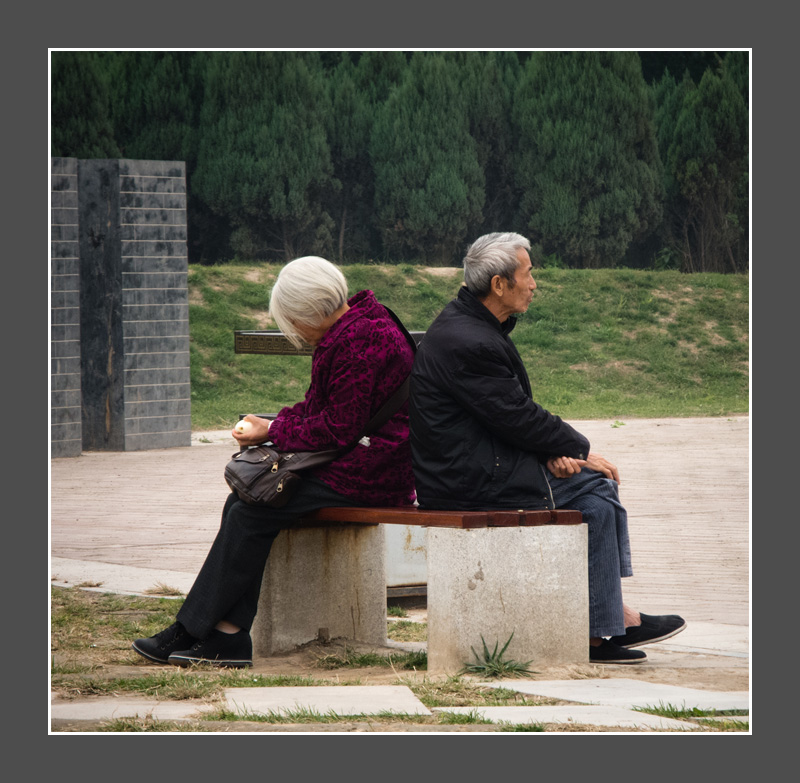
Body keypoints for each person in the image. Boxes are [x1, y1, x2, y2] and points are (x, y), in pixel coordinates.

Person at [409, 232, 686, 664]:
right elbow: (516, 415)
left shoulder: (472, 326)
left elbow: (502, 415)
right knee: (596, 485)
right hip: (470, 481)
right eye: (528, 273)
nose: (534, 283)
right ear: (500, 284)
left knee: (593, 498)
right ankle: (608, 624)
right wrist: (578, 448)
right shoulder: (470, 340)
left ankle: (605, 622)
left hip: (476, 465)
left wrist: (551, 452)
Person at [133, 256, 416, 668]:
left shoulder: (356, 340)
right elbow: (326, 410)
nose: (295, 331)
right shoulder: (357, 325)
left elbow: (336, 428)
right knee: (246, 502)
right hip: (367, 455)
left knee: (252, 509)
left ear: (309, 311)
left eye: (293, 321)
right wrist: (275, 421)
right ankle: (217, 633)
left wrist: (272, 431)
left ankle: (202, 631)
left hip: (375, 467)